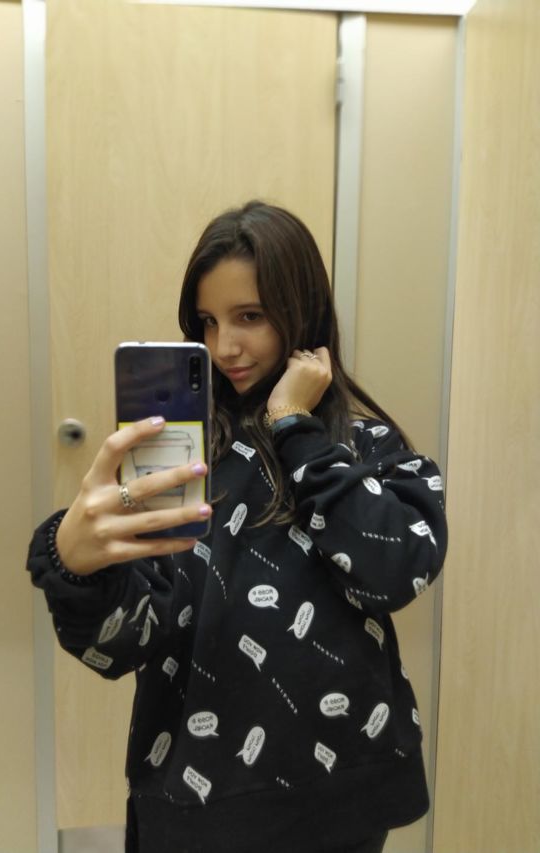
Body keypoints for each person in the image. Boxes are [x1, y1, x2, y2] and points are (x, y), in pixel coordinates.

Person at [27, 200, 447, 853]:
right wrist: (77, 566)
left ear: (301, 310)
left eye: (250, 316)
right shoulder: (179, 461)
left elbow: (391, 573)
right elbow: (122, 644)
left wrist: (296, 429)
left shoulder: (367, 448)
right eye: (207, 321)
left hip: (342, 805)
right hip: (197, 808)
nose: (224, 346)